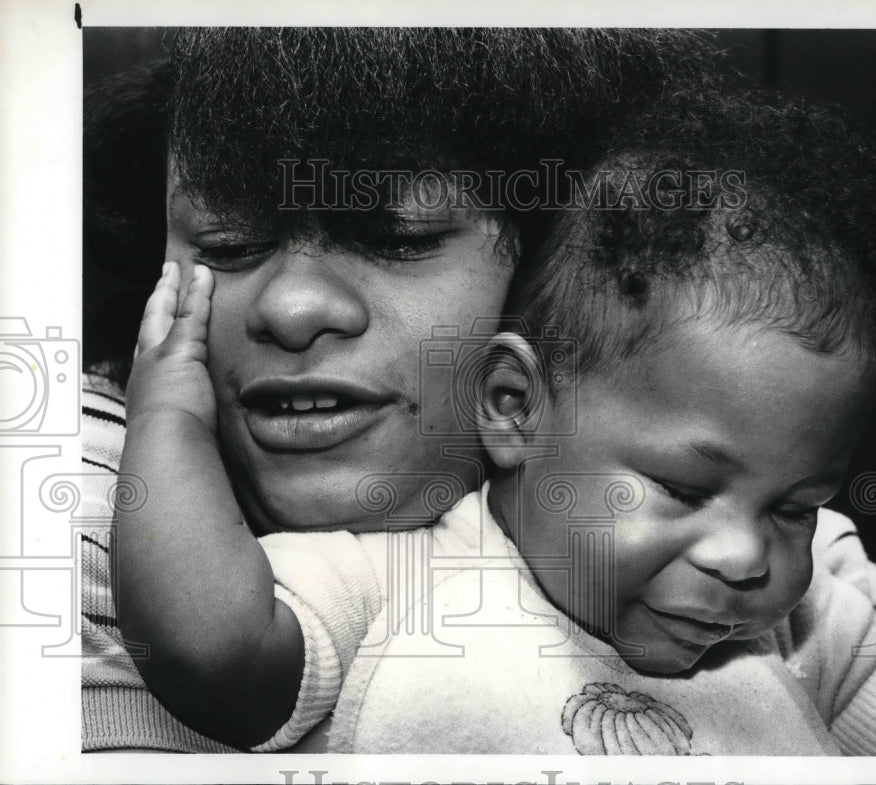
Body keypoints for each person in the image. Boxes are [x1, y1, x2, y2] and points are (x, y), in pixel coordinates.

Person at [81, 27, 720, 751]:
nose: (291, 308)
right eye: (229, 245)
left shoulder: (744, 514)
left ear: (573, 261)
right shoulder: (86, 494)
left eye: (398, 236)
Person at [286, 85, 876, 755]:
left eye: (796, 509)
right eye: (684, 488)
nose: (747, 557)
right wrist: (167, 425)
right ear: (514, 406)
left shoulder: (812, 620)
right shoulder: (395, 582)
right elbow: (209, 648)